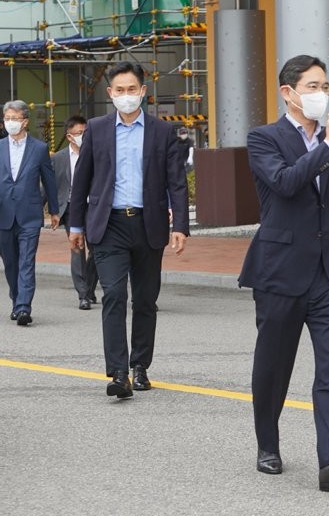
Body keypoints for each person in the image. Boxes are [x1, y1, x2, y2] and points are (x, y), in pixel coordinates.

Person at [239, 54, 329, 491]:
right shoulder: (264, 138)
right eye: (313, 86)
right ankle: (268, 442)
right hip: (281, 270)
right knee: (274, 365)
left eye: (326, 87)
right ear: (289, 93)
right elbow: (285, 183)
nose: (322, 94)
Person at [68, 61, 189, 398]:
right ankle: (118, 372)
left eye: (131, 90)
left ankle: (140, 366)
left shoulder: (163, 132)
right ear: (110, 94)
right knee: (115, 295)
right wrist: (75, 225)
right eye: (119, 91)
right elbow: (83, 180)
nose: (125, 96)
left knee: (146, 300)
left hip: (148, 225)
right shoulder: (97, 128)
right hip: (109, 225)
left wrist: (180, 224)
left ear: (143, 92)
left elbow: (177, 183)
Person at [0, 100, 59, 326]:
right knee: (11, 263)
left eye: (15, 119)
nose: (10, 123)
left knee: (26, 261)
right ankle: (17, 300)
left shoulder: (39, 148)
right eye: (7, 118)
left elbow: (49, 181)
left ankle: (24, 307)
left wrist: (54, 210)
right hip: (4, 214)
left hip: (30, 215)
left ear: (25, 121)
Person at [53, 115, 98, 311]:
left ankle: (88, 288)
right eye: (80, 134)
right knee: (77, 249)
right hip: (72, 208)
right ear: (70, 136)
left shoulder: (98, 153)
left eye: (86, 133)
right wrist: (50, 210)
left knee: (97, 250)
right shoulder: (59, 158)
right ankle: (83, 294)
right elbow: (49, 186)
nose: (84, 137)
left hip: (95, 208)